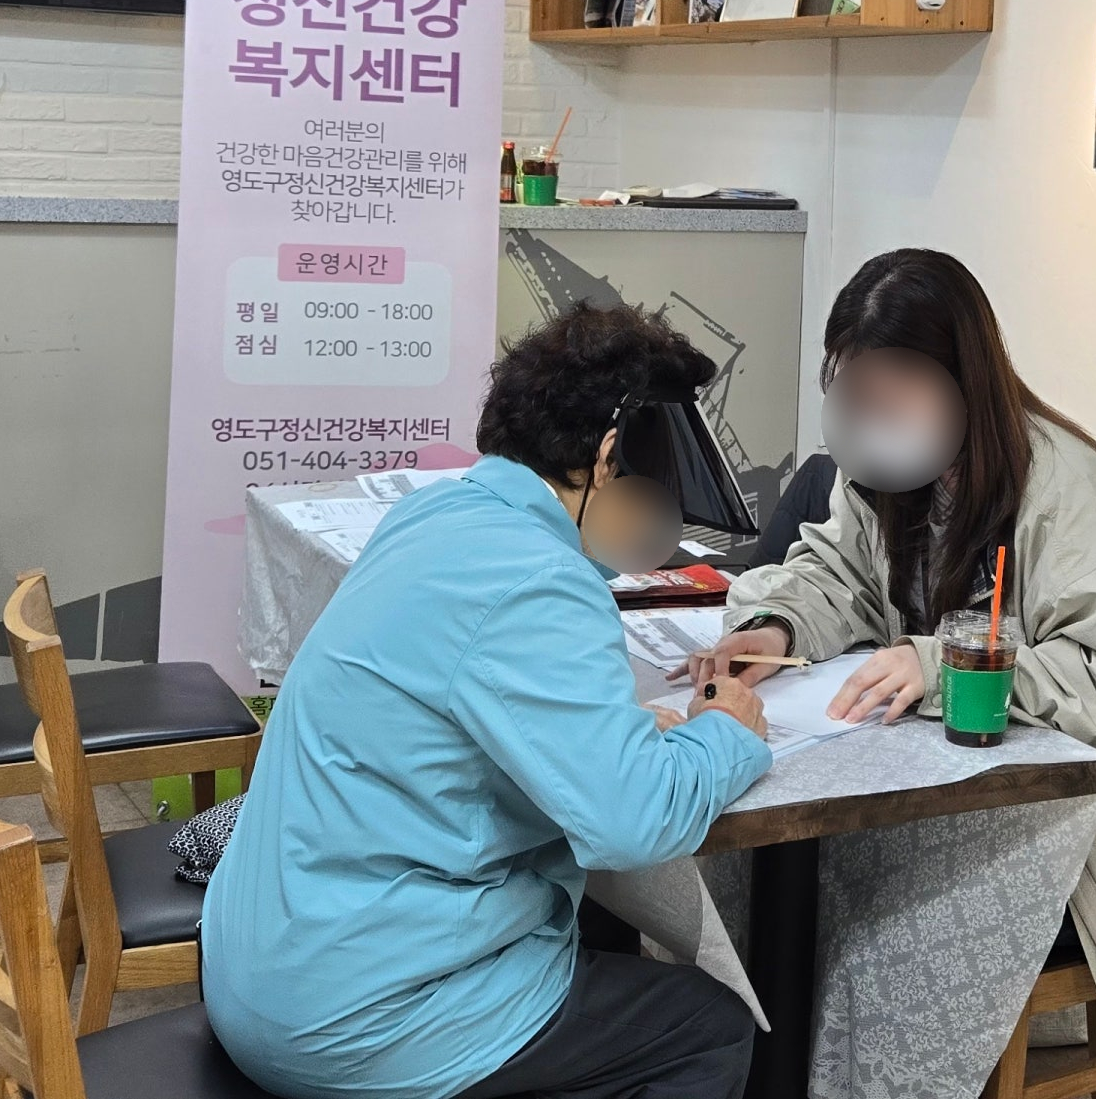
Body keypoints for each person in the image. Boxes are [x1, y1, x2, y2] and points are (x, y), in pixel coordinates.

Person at [203, 304, 776, 1099]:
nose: (667, 508)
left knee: (595, 932)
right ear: (607, 458)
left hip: (264, 965)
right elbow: (631, 822)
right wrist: (726, 730)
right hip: (354, 1018)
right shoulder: (542, 577)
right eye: (657, 475)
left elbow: (463, 703)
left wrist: (604, 734)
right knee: (707, 1026)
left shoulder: (436, 513)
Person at [694, 248, 1096, 1007]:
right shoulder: (893, 470)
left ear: (962, 381)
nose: (873, 418)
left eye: (894, 396)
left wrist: (942, 664)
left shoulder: (1071, 496)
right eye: (858, 394)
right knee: (779, 877)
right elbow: (836, 570)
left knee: (874, 934)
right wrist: (778, 626)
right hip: (980, 781)